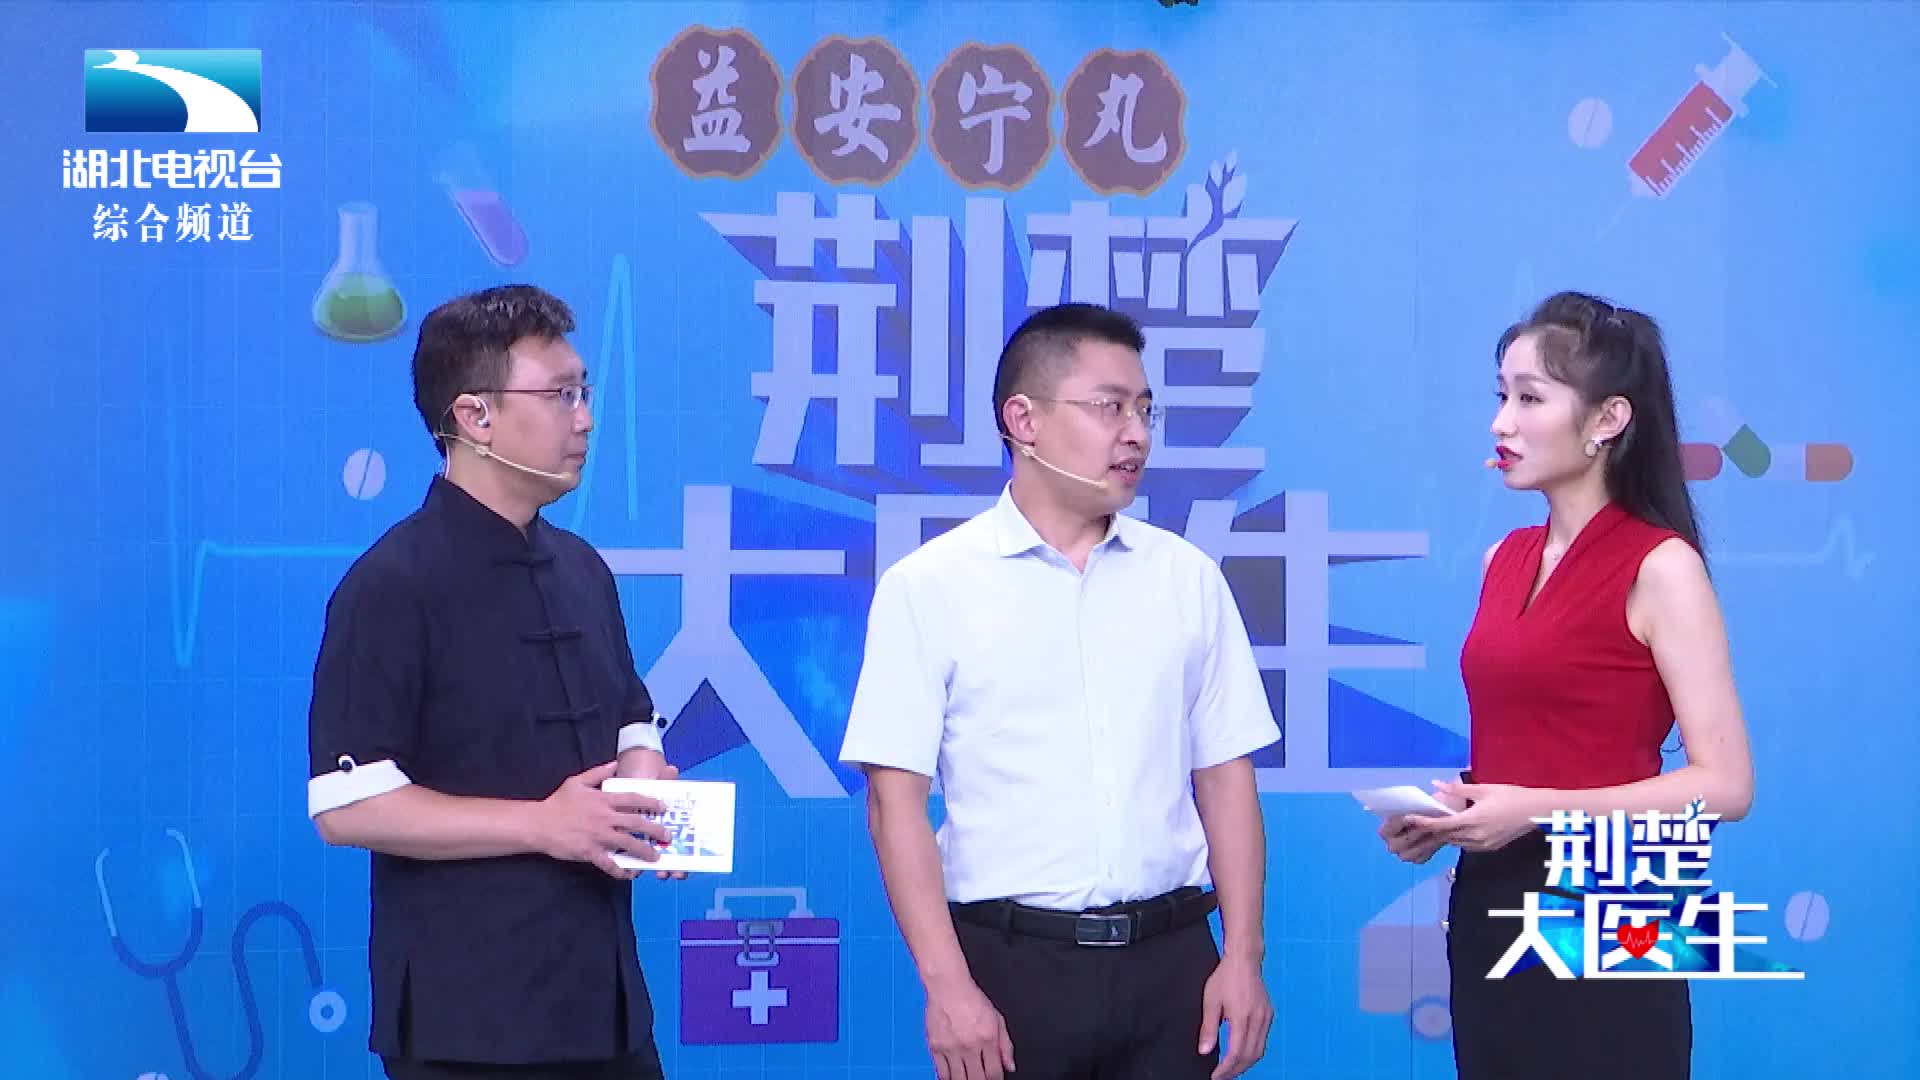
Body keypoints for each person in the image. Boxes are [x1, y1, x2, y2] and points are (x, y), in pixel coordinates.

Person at [840, 302, 1279, 1080]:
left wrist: (1241, 956)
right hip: (1012, 970)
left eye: (1145, 410)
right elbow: (893, 802)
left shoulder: (1186, 578)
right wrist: (948, 989)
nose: (1136, 434)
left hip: (1174, 965)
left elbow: (1225, 776)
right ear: (1024, 421)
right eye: (1109, 407)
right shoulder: (930, 586)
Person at [306, 285, 684, 1080]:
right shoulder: (391, 584)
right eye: (559, 395)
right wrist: (545, 825)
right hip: (467, 1024)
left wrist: (643, 780)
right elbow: (347, 806)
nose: (584, 418)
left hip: (608, 1008)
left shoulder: (582, 568)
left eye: (584, 392)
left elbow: (633, 716)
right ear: (475, 416)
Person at [1379, 291, 1756, 1079]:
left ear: (1607, 419)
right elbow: (1537, 743)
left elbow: (1725, 787)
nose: (1501, 424)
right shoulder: (1504, 560)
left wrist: (1532, 810)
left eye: (1529, 399)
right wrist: (1457, 812)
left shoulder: (1661, 567)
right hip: (1490, 902)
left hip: (1613, 911)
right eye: (1501, 396)